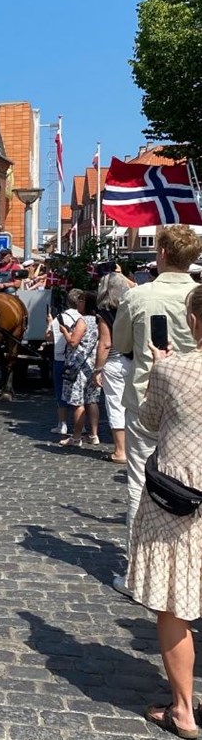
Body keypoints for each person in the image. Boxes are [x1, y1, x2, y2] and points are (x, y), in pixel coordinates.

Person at [128, 282, 202, 740]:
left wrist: (160, 368)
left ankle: (184, 711)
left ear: (194, 322)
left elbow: (148, 421)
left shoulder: (174, 369)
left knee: (175, 605)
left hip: (182, 500)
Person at [112, 223, 202, 586]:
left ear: (161, 253)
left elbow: (121, 344)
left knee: (140, 481)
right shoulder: (198, 295)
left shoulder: (139, 296)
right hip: (196, 400)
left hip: (147, 397)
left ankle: (138, 571)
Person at [93, 271, 134, 465]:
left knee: (116, 405)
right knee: (134, 405)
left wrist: (97, 369)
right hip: (135, 360)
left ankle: (120, 451)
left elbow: (105, 343)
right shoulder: (132, 306)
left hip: (115, 362)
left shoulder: (105, 311)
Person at [58, 289, 100, 447]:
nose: (78, 303)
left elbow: (73, 342)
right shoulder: (98, 320)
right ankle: (94, 435)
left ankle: (76, 437)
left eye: (81, 300)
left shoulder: (83, 321)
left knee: (78, 403)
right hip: (92, 365)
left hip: (78, 366)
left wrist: (65, 332)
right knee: (92, 401)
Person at [45, 295, 79, 437]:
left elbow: (49, 338)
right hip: (78, 359)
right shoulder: (83, 318)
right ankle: (80, 426)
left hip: (60, 358)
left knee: (60, 392)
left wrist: (49, 323)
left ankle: (62, 424)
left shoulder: (59, 318)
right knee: (77, 393)